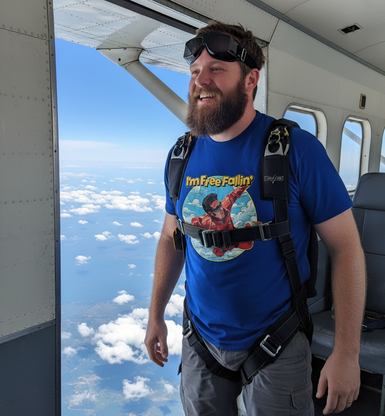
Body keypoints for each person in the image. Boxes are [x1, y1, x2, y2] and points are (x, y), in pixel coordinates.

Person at [145, 21, 366, 416]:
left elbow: (346, 246)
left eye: (216, 69)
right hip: (199, 339)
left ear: (251, 79)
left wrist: (347, 353)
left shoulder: (296, 150)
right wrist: (155, 315)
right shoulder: (181, 156)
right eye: (195, 72)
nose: (201, 81)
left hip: (275, 342)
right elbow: (169, 239)